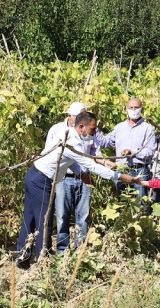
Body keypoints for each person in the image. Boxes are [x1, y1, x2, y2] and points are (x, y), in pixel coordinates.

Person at [16, 112, 139, 266]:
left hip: (33, 175)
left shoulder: (66, 133)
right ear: (81, 127)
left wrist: (81, 175)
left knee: (30, 217)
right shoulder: (73, 141)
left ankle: (22, 257)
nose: (94, 133)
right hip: (42, 181)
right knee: (44, 221)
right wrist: (121, 176)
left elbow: (69, 160)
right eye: (92, 130)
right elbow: (92, 166)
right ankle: (43, 263)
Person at [48, 102, 115, 253]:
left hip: (85, 179)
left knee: (83, 216)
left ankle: (80, 251)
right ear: (69, 116)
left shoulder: (90, 129)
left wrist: (105, 162)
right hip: (64, 177)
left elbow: (95, 153)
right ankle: (62, 251)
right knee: (62, 216)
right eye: (78, 116)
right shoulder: (57, 130)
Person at [96, 98, 158, 212]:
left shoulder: (148, 128)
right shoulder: (119, 127)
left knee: (141, 204)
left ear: (141, 109)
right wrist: (94, 128)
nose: (134, 110)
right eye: (131, 108)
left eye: (136, 107)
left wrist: (132, 152)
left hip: (139, 170)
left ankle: (143, 225)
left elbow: (150, 152)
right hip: (121, 169)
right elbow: (105, 142)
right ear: (126, 109)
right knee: (122, 203)